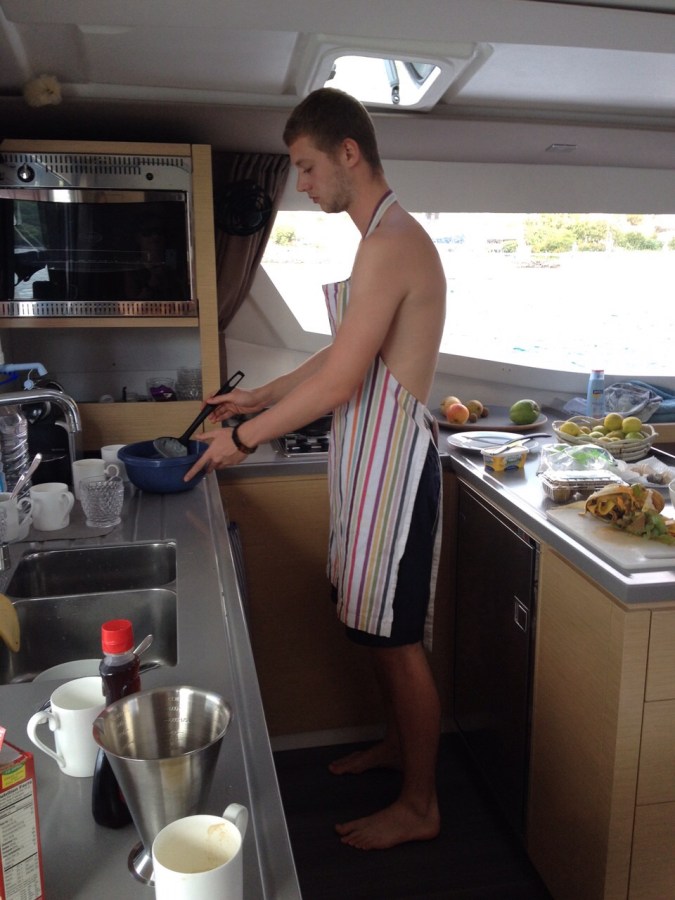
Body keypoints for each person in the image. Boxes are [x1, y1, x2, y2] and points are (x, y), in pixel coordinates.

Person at [185, 87, 446, 850]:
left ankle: (421, 805)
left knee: (397, 643)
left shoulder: (393, 242)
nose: (299, 183)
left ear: (348, 153)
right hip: (371, 468)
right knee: (371, 630)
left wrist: (243, 439)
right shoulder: (378, 242)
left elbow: (339, 386)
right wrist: (257, 397)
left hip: (396, 474)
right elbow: (342, 355)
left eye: (304, 167)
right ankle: (397, 748)